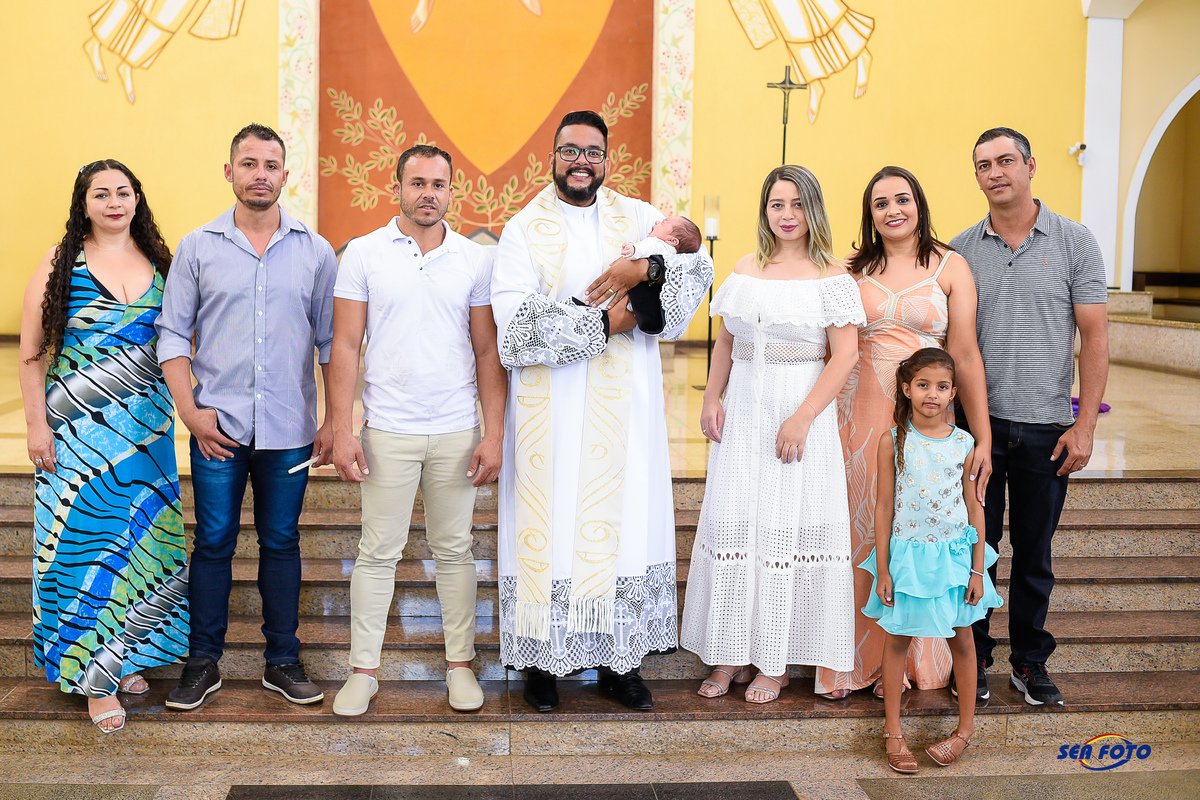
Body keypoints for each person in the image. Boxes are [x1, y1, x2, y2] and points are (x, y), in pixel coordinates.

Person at [490, 110, 713, 712]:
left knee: (626, 530)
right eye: (570, 150)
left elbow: (696, 270)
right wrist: (606, 322)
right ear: (552, 158)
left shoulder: (638, 218)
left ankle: (621, 662)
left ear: (607, 159)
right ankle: (540, 663)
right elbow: (515, 327)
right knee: (551, 533)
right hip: (550, 417)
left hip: (626, 418)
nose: (581, 161)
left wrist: (643, 269)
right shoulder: (522, 229)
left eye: (593, 152)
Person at [157, 123, 338, 710]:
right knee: (213, 541)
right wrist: (190, 413)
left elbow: (332, 342)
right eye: (249, 163)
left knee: (281, 541)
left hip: (289, 430)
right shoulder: (197, 248)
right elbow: (172, 335)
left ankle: (282, 661)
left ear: (287, 175)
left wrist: (335, 420)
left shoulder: (315, 251)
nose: (260, 174)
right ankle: (201, 662)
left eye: (271, 165)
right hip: (217, 428)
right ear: (229, 171)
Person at [327, 144, 507, 716]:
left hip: (456, 428)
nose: (428, 193)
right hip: (388, 428)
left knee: (455, 550)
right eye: (418, 183)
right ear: (398, 187)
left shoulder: (475, 260)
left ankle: (460, 667)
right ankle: (363, 672)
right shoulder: (363, 253)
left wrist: (494, 433)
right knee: (377, 552)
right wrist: (342, 428)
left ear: (452, 191)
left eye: (438, 184)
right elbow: (345, 345)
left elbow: (487, 351)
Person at [680, 164, 863, 703]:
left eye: (797, 204)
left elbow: (845, 355)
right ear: (765, 210)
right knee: (738, 522)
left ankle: (774, 663)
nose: (787, 215)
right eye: (777, 204)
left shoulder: (832, 275)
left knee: (784, 525)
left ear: (814, 209)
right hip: (745, 411)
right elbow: (726, 341)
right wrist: (712, 397)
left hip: (799, 409)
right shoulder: (746, 267)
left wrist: (803, 417)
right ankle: (731, 652)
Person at [19, 160, 189, 733]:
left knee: (139, 549)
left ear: (137, 199)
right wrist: (37, 427)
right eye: (101, 194)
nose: (114, 202)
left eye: (123, 192)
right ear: (84, 203)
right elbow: (31, 353)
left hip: (147, 433)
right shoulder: (60, 261)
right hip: (77, 435)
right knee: (84, 551)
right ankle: (94, 679)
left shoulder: (162, 263)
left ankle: (124, 657)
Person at [815, 166, 992, 702]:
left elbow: (964, 354)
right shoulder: (851, 270)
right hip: (858, 417)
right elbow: (829, 350)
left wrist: (982, 437)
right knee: (859, 535)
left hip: (927, 425)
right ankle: (853, 661)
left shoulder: (951, 266)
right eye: (880, 203)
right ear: (869, 215)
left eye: (902, 199)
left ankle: (914, 658)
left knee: (919, 527)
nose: (892, 210)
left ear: (919, 204)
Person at [950, 127, 1109, 707]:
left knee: (1035, 554)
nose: (995, 173)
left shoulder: (1074, 241)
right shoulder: (961, 250)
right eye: (983, 164)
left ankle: (1030, 660)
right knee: (976, 547)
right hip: (978, 430)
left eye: (1005, 161)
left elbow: (1095, 337)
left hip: (1047, 430)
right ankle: (974, 658)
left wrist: (1084, 426)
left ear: (1031, 166)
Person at [859, 348, 1003, 773]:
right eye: (923, 385)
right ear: (907, 389)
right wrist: (883, 568)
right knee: (897, 640)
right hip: (907, 558)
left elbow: (975, 509)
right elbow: (884, 507)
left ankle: (964, 731)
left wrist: (977, 570)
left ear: (953, 392)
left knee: (963, 640)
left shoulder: (965, 444)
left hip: (955, 560)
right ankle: (893, 733)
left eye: (942, 387)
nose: (932, 394)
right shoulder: (892, 440)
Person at [621, 215, 703, 260]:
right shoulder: (672, 255)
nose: (657, 221)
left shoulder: (661, 246)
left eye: (663, 222)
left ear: (672, 241)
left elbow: (649, 248)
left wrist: (635, 249)